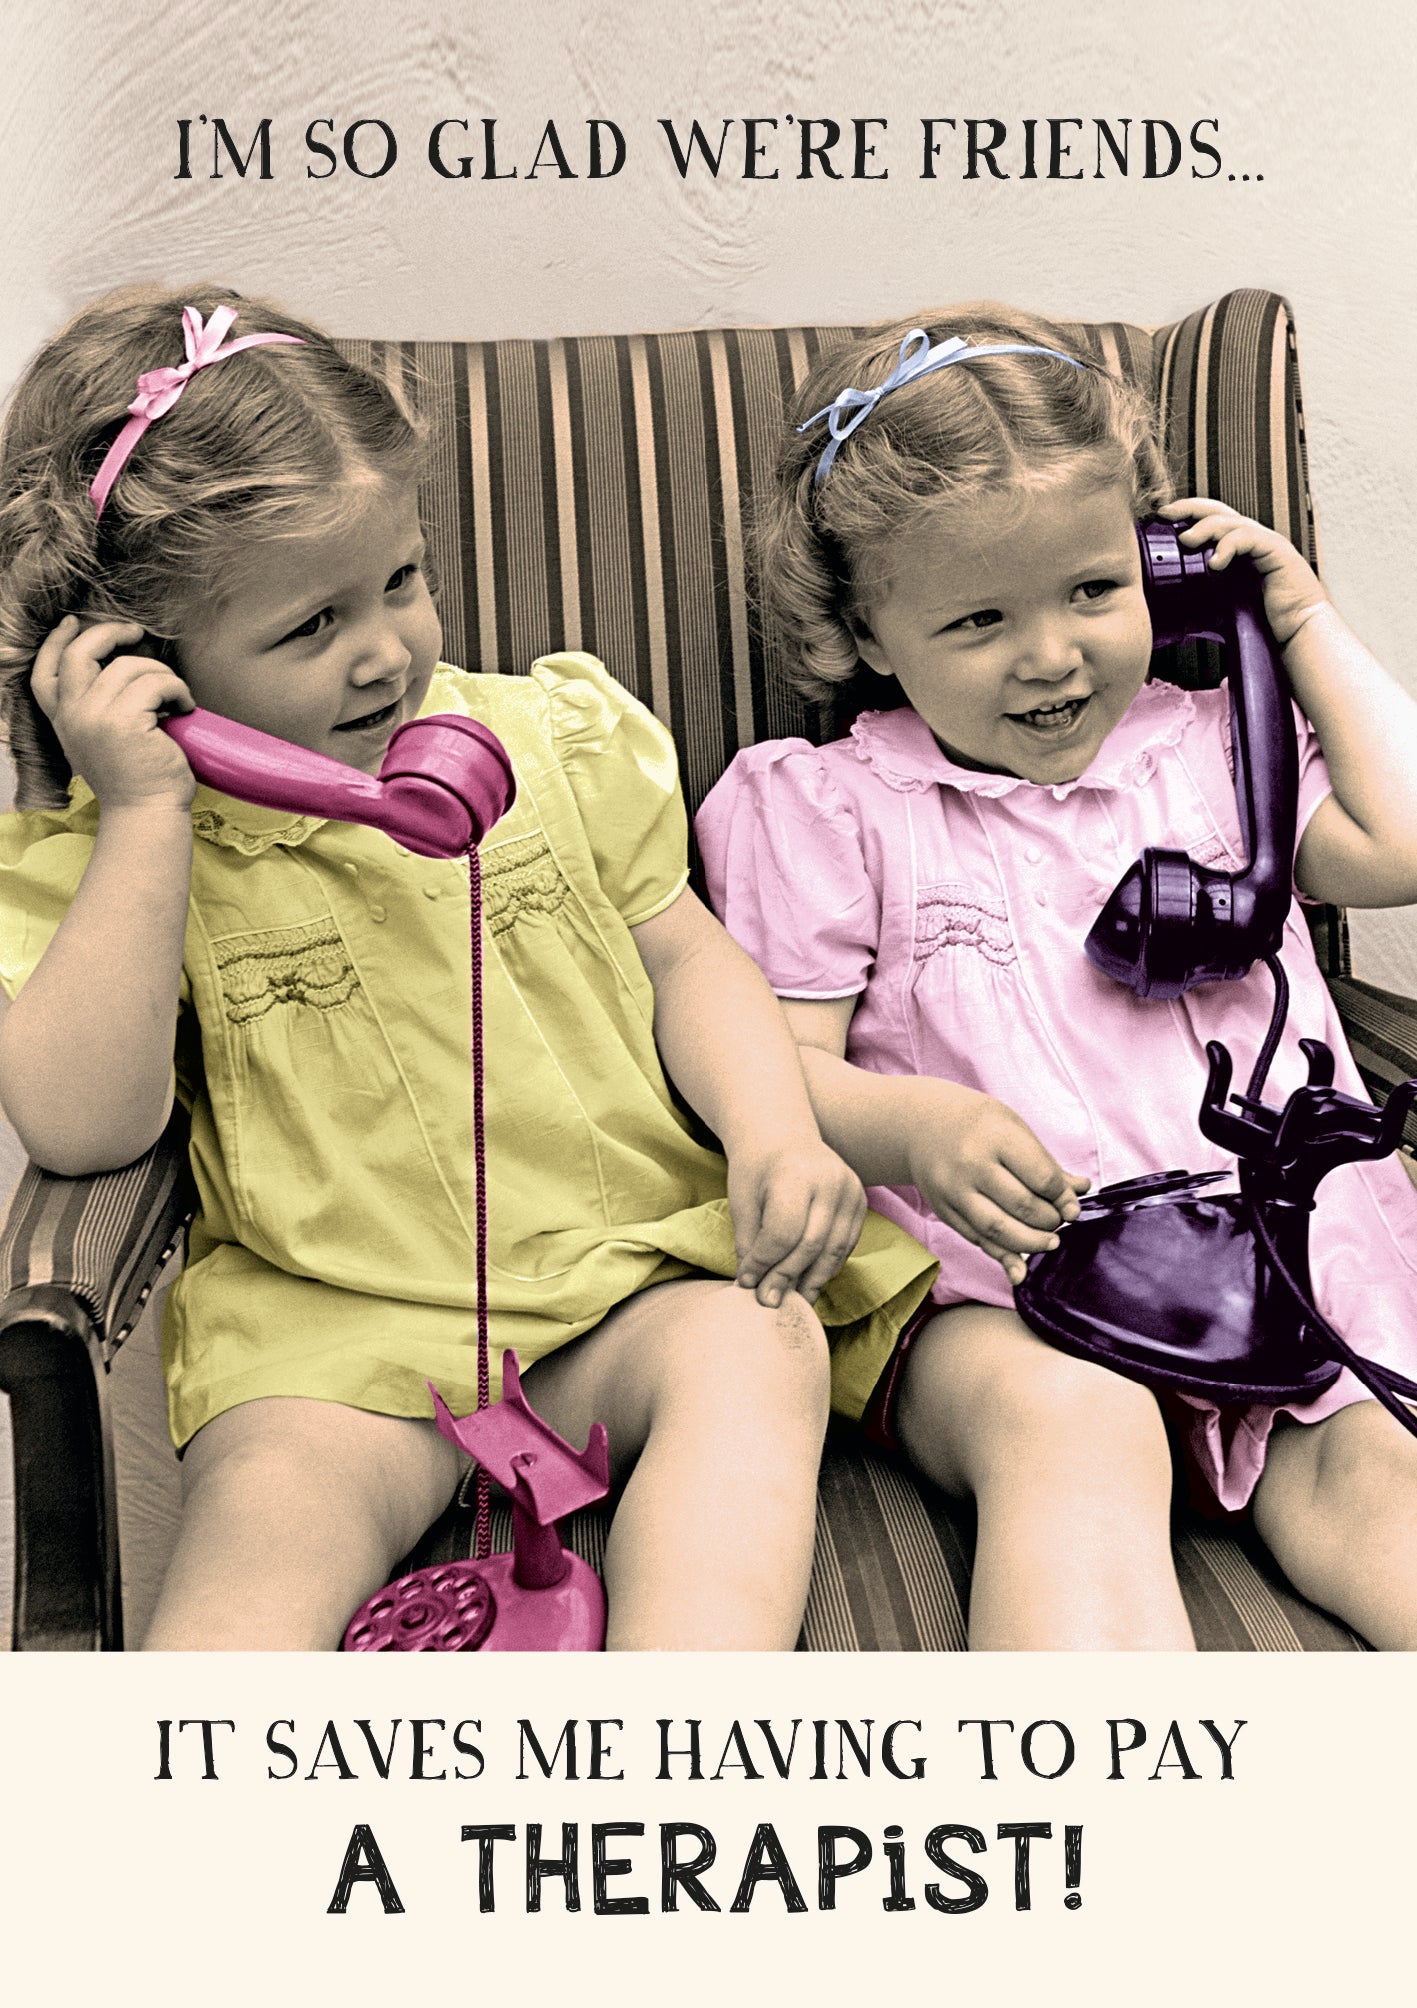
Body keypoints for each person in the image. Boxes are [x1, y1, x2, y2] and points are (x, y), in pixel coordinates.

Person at [0, 285, 937, 1651]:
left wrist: (771, 1130)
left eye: (400, 580)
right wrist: (148, 812)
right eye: (311, 626)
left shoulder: (550, 740)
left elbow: (688, 961)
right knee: (246, 1576)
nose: (386, 649)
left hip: (621, 1280)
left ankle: (688, 1705)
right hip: (331, 1346)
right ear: (144, 656)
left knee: (760, 1343)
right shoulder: (121, 858)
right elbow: (84, 1127)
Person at [697, 306, 1417, 1650]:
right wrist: (913, 1127)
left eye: (1094, 589)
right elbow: (767, 1068)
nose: (1050, 654)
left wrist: (1295, 619)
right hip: (997, 1295)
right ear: (864, 630)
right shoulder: (829, 809)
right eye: (978, 618)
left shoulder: (1215, 750)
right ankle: (1104, 1767)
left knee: (1385, 1480)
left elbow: (1405, 841)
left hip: (1280, 1272)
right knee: (1075, 1431)